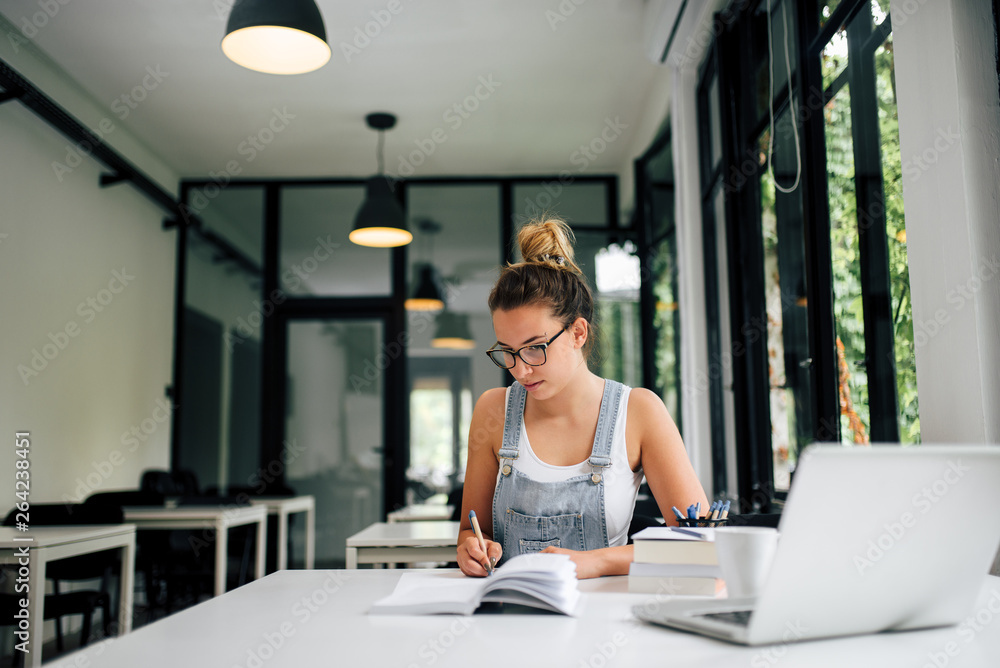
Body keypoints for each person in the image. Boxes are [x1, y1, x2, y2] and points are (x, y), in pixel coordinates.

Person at [457, 218, 709, 579]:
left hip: (606, 622)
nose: (520, 370)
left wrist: (600, 561)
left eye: (534, 348)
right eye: (508, 352)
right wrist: (470, 546)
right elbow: (471, 530)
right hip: (510, 617)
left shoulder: (638, 412)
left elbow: (698, 542)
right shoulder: (492, 411)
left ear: (577, 332)